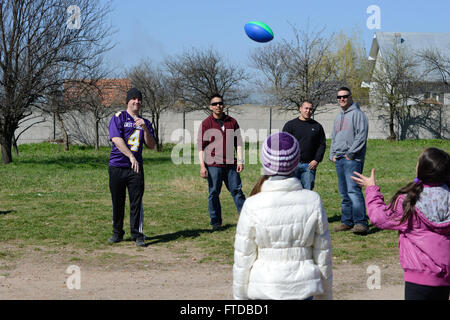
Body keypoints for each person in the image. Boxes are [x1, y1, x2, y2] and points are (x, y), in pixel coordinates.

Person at [233, 132, 332, 300]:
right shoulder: (312, 201)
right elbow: (322, 254)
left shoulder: (252, 204)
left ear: (265, 162)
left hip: (264, 287)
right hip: (303, 287)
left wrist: (240, 298)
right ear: (296, 162)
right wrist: (325, 296)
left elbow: (243, 257)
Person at [351, 147, 450, 300]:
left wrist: (371, 189)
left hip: (418, 277)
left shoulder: (408, 200)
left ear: (423, 169)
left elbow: (379, 217)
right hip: (445, 278)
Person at [107, 87, 156, 247]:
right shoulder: (119, 117)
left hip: (135, 169)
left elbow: (151, 145)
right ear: (128, 101)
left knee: (136, 201)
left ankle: (137, 234)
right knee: (118, 201)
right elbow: (116, 138)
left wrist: (145, 128)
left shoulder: (145, 122)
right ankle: (117, 233)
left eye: (139, 99)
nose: (136, 101)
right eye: (133, 98)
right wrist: (130, 156)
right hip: (117, 166)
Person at [197, 93, 246, 231]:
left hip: (231, 164)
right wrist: (202, 166)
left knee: (237, 191)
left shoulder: (232, 121)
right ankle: (216, 222)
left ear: (223, 105)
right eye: (214, 104)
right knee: (213, 193)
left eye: (220, 103)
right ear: (210, 107)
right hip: (213, 165)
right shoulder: (206, 123)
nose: (218, 106)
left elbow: (239, 143)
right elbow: (201, 146)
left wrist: (240, 161)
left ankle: (246, 218)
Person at [330, 86, 369, 235]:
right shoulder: (338, 117)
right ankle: (347, 221)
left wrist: (350, 154)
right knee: (344, 192)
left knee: (353, 191)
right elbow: (334, 137)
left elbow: (361, 136)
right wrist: (332, 154)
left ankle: (361, 223)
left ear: (350, 97)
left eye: (344, 96)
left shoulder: (358, 114)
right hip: (339, 158)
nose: (342, 99)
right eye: (339, 97)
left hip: (352, 159)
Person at [282, 100, 326, 190]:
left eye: (310, 109)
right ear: (300, 109)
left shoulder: (317, 126)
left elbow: (322, 144)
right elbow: (283, 144)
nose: (308, 111)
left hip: (309, 165)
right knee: (292, 191)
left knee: (308, 192)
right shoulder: (290, 125)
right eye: (306, 108)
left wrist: (317, 160)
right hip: (293, 165)